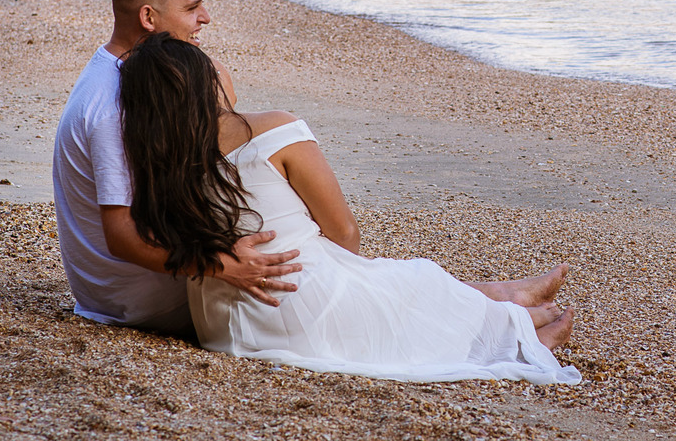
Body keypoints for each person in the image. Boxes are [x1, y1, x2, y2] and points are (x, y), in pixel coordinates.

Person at [117, 32, 581, 383]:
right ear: (206, 84)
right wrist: (363, 283)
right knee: (407, 282)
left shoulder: (157, 169)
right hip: (293, 303)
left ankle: (506, 296)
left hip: (223, 326)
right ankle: (521, 332)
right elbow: (343, 233)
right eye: (216, 64)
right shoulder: (275, 130)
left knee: (404, 283)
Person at [52, 0, 302, 334]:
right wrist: (227, 266)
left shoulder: (117, 71)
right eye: (192, 8)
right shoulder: (116, 104)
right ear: (148, 17)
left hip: (117, 292)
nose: (205, 18)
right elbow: (121, 239)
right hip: (142, 302)